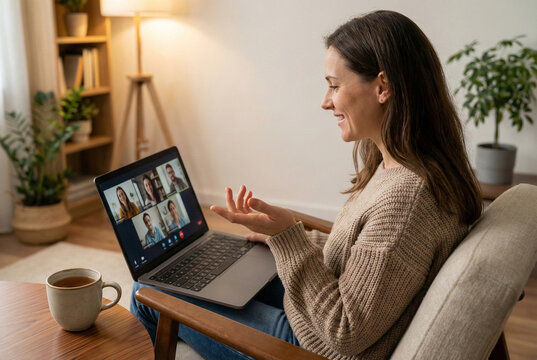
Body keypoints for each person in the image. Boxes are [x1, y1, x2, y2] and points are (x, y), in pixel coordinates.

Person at [131, 10, 482, 359]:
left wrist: (290, 240)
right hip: (317, 316)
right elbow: (369, 260)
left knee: (146, 288)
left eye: (334, 85)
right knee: (196, 275)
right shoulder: (405, 167)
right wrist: (288, 236)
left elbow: (345, 332)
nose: (325, 101)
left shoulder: (406, 200)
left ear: (382, 87)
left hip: (312, 347)